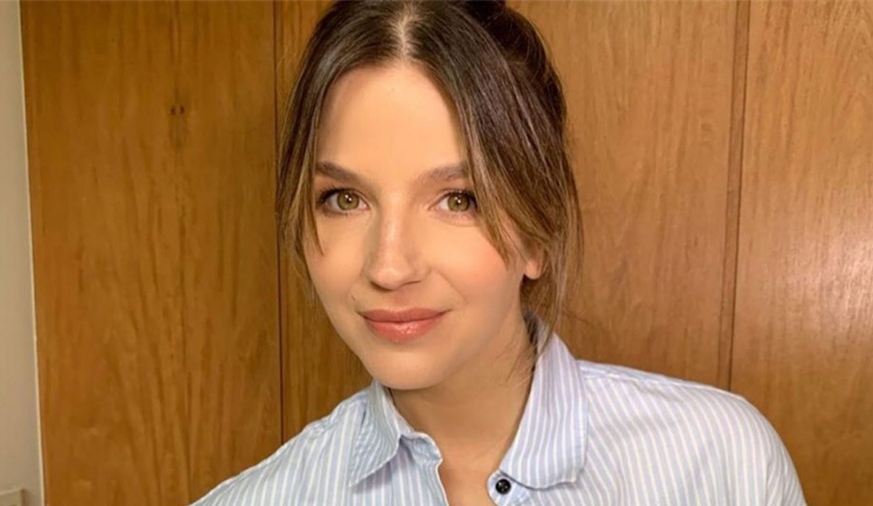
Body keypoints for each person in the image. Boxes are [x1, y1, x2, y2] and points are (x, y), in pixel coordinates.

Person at [193, 1, 806, 504]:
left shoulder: (724, 464)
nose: (389, 267)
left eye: (459, 199)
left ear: (537, 231)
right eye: (345, 199)